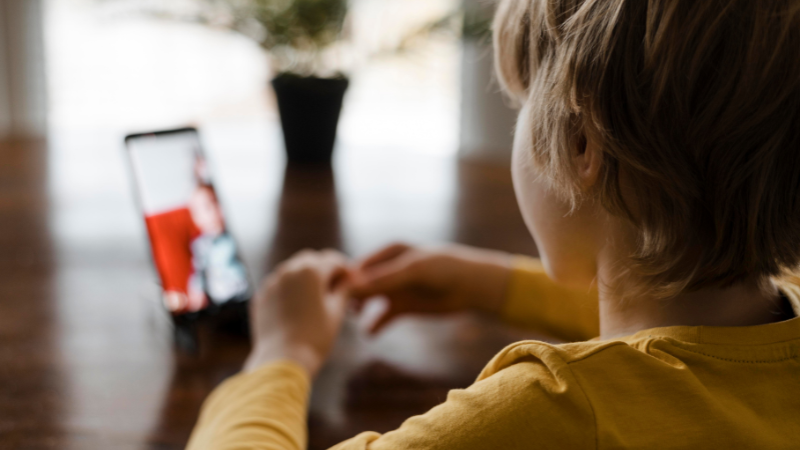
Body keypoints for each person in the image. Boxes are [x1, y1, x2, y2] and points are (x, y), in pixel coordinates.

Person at [187, 0, 800, 448]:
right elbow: (687, 355)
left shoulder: (553, 413)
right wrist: (494, 284)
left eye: (520, 102)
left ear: (582, 142)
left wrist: (281, 353)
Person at [186, 184, 249, 309]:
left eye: (216, 201)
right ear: (196, 218)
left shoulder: (232, 237)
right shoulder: (199, 244)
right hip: (218, 300)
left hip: (240, 294)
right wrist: (196, 291)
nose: (215, 208)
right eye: (206, 207)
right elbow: (198, 270)